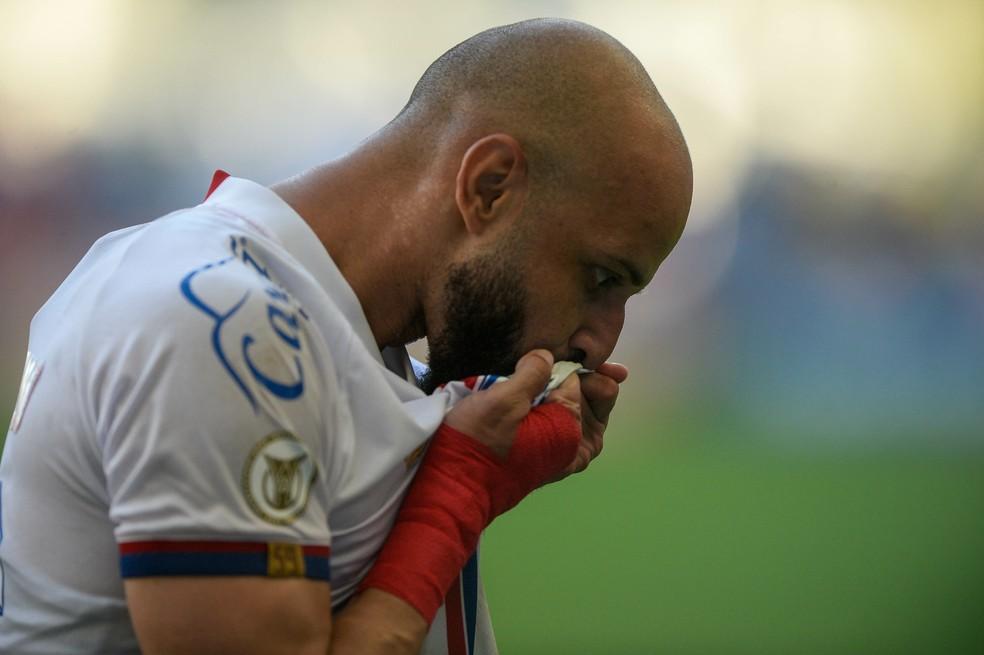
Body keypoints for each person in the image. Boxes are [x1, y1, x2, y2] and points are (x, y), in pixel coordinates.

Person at [0, 17, 692, 655]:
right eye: (600, 278)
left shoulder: (339, 329)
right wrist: (457, 492)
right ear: (489, 187)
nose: (600, 342)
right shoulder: (217, 323)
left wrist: (472, 450)